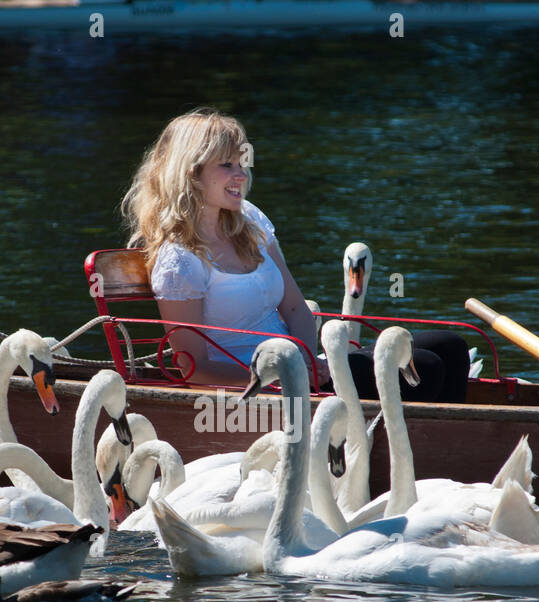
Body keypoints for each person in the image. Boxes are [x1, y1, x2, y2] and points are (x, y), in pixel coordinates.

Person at [122, 109, 470, 401]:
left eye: (241, 163)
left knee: (449, 345)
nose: (241, 175)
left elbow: (295, 308)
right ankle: (419, 461)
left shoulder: (249, 220)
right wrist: (282, 376)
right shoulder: (179, 260)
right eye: (226, 165)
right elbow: (194, 367)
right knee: (425, 366)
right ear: (191, 174)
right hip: (257, 387)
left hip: (299, 367)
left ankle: (451, 458)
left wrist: (305, 360)